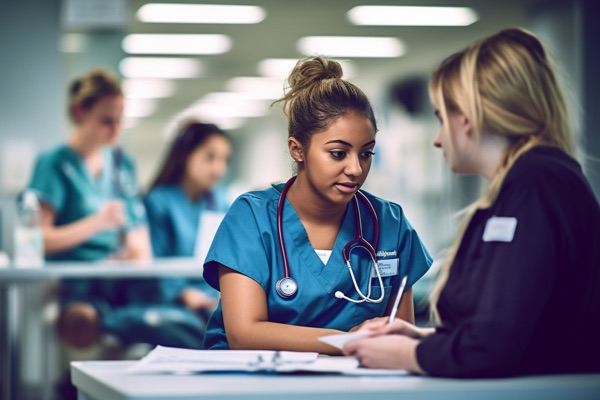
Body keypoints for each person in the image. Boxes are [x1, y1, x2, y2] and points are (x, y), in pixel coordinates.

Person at [344, 28, 600, 377]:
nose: (437, 139)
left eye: (440, 117)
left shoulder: (534, 184)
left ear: (466, 118)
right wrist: (418, 338)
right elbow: (522, 333)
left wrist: (408, 355)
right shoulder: (530, 181)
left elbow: (491, 349)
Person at [202, 56, 433, 353]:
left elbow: (398, 334)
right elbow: (244, 334)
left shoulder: (389, 223)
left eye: (366, 154)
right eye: (338, 153)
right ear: (297, 149)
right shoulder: (252, 218)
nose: (356, 169)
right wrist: (346, 342)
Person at [143, 122, 232, 335]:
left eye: (224, 160)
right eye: (210, 157)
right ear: (185, 155)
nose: (218, 169)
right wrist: (184, 295)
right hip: (172, 301)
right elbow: (156, 264)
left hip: (213, 298)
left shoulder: (220, 202)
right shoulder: (158, 201)